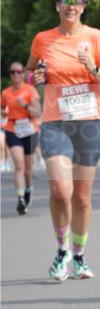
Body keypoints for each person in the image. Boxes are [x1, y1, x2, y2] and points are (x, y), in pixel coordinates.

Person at [26, 0, 100, 282]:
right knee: (60, 191)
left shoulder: (96, 38)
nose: (70, 6)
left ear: (83, 6)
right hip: (56, 122)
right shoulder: (43, 39)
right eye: (65, 1)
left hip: (89, 123)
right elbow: (31, 73)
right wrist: (35, 75)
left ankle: (79, 256)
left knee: (81, 197)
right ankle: (61, 250)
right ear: (57, 6)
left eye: (76, 2)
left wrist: (92, 67)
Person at [1, 62, 41, 213]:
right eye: (12, 72)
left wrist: (25, 105)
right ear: (10, 75)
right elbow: (1, 108)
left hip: (30, 130)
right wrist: (4, 113)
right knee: (19, 166)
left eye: (18, 71)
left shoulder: (30, 90)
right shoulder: (6, 93)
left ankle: (28, 188)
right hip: (13, 129)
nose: (16, 75)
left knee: (28, 169)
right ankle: (19, 198)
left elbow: (37, 112)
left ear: (23, 74)